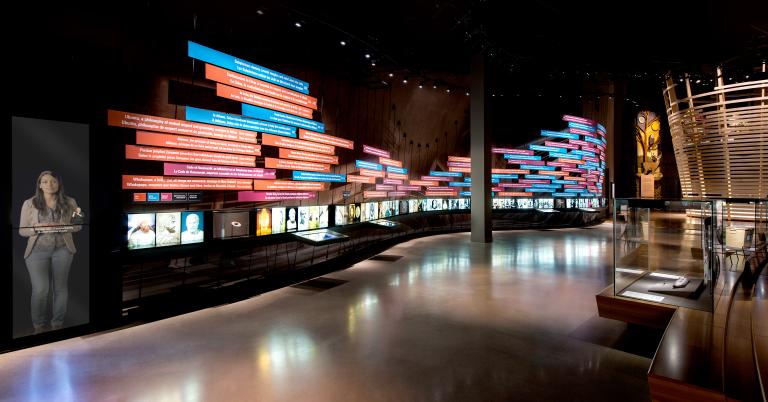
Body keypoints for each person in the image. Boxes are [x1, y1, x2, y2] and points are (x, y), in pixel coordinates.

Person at [18, 170, 81, 334]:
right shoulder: (29, 203)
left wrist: (66, 226)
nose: (49, 184)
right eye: (44, 181)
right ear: (39, 185)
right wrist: (36, 229)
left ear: (59, 183)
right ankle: (38, 327)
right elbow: (22, 231)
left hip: (63, 250)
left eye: (53, 181)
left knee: (60, 288)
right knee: (40, 289)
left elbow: (79, 225)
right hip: (36, 252)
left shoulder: (71, 202)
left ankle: (57, 324)